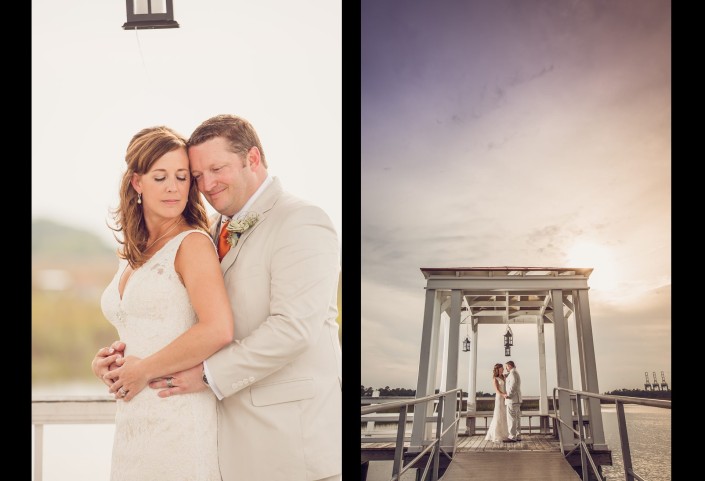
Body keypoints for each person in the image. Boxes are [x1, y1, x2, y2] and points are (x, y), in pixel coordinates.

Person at [96, 114, 342, 481]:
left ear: (253, 159)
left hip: (291, 444)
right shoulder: (212, 229)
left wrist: (207, 376)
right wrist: (117, 359)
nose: (206, 185)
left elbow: (293, 330)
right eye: (197, 175)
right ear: (137, 183)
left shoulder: (301, 220)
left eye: (216, 169)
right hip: (222, 438)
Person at [90, 125, 236, 481]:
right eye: (160, 177)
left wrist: (144, 370)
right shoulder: (132, 253)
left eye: (182, 176)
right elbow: (144, 326)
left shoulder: (192, 244)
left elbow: (218, 328)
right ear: (138, 183)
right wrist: (108, 362)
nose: (173, 187)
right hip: (133, 419)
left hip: (178, 417)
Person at [484, 363, 509, 443]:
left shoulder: (503, 376)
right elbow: (497, 390)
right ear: (497, 369)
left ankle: (505, 434)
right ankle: (497, 434)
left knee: (504, 415)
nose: (502, 370)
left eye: (503, 368)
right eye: (501, 368)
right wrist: (503, 395)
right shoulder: (495, 378)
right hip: (499, 398)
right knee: (498, 415)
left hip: (505, 398)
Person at [503, 360, 523, 442]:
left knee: (512, 418)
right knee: (517, 418)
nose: (506, 368)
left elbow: (513, 385)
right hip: (517, 399)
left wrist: (509, 395)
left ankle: (512, 436)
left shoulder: (512, 373)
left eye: (506, 367)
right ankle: (518, 436)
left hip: (512, 399)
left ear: (509, 366)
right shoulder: (514, 373)